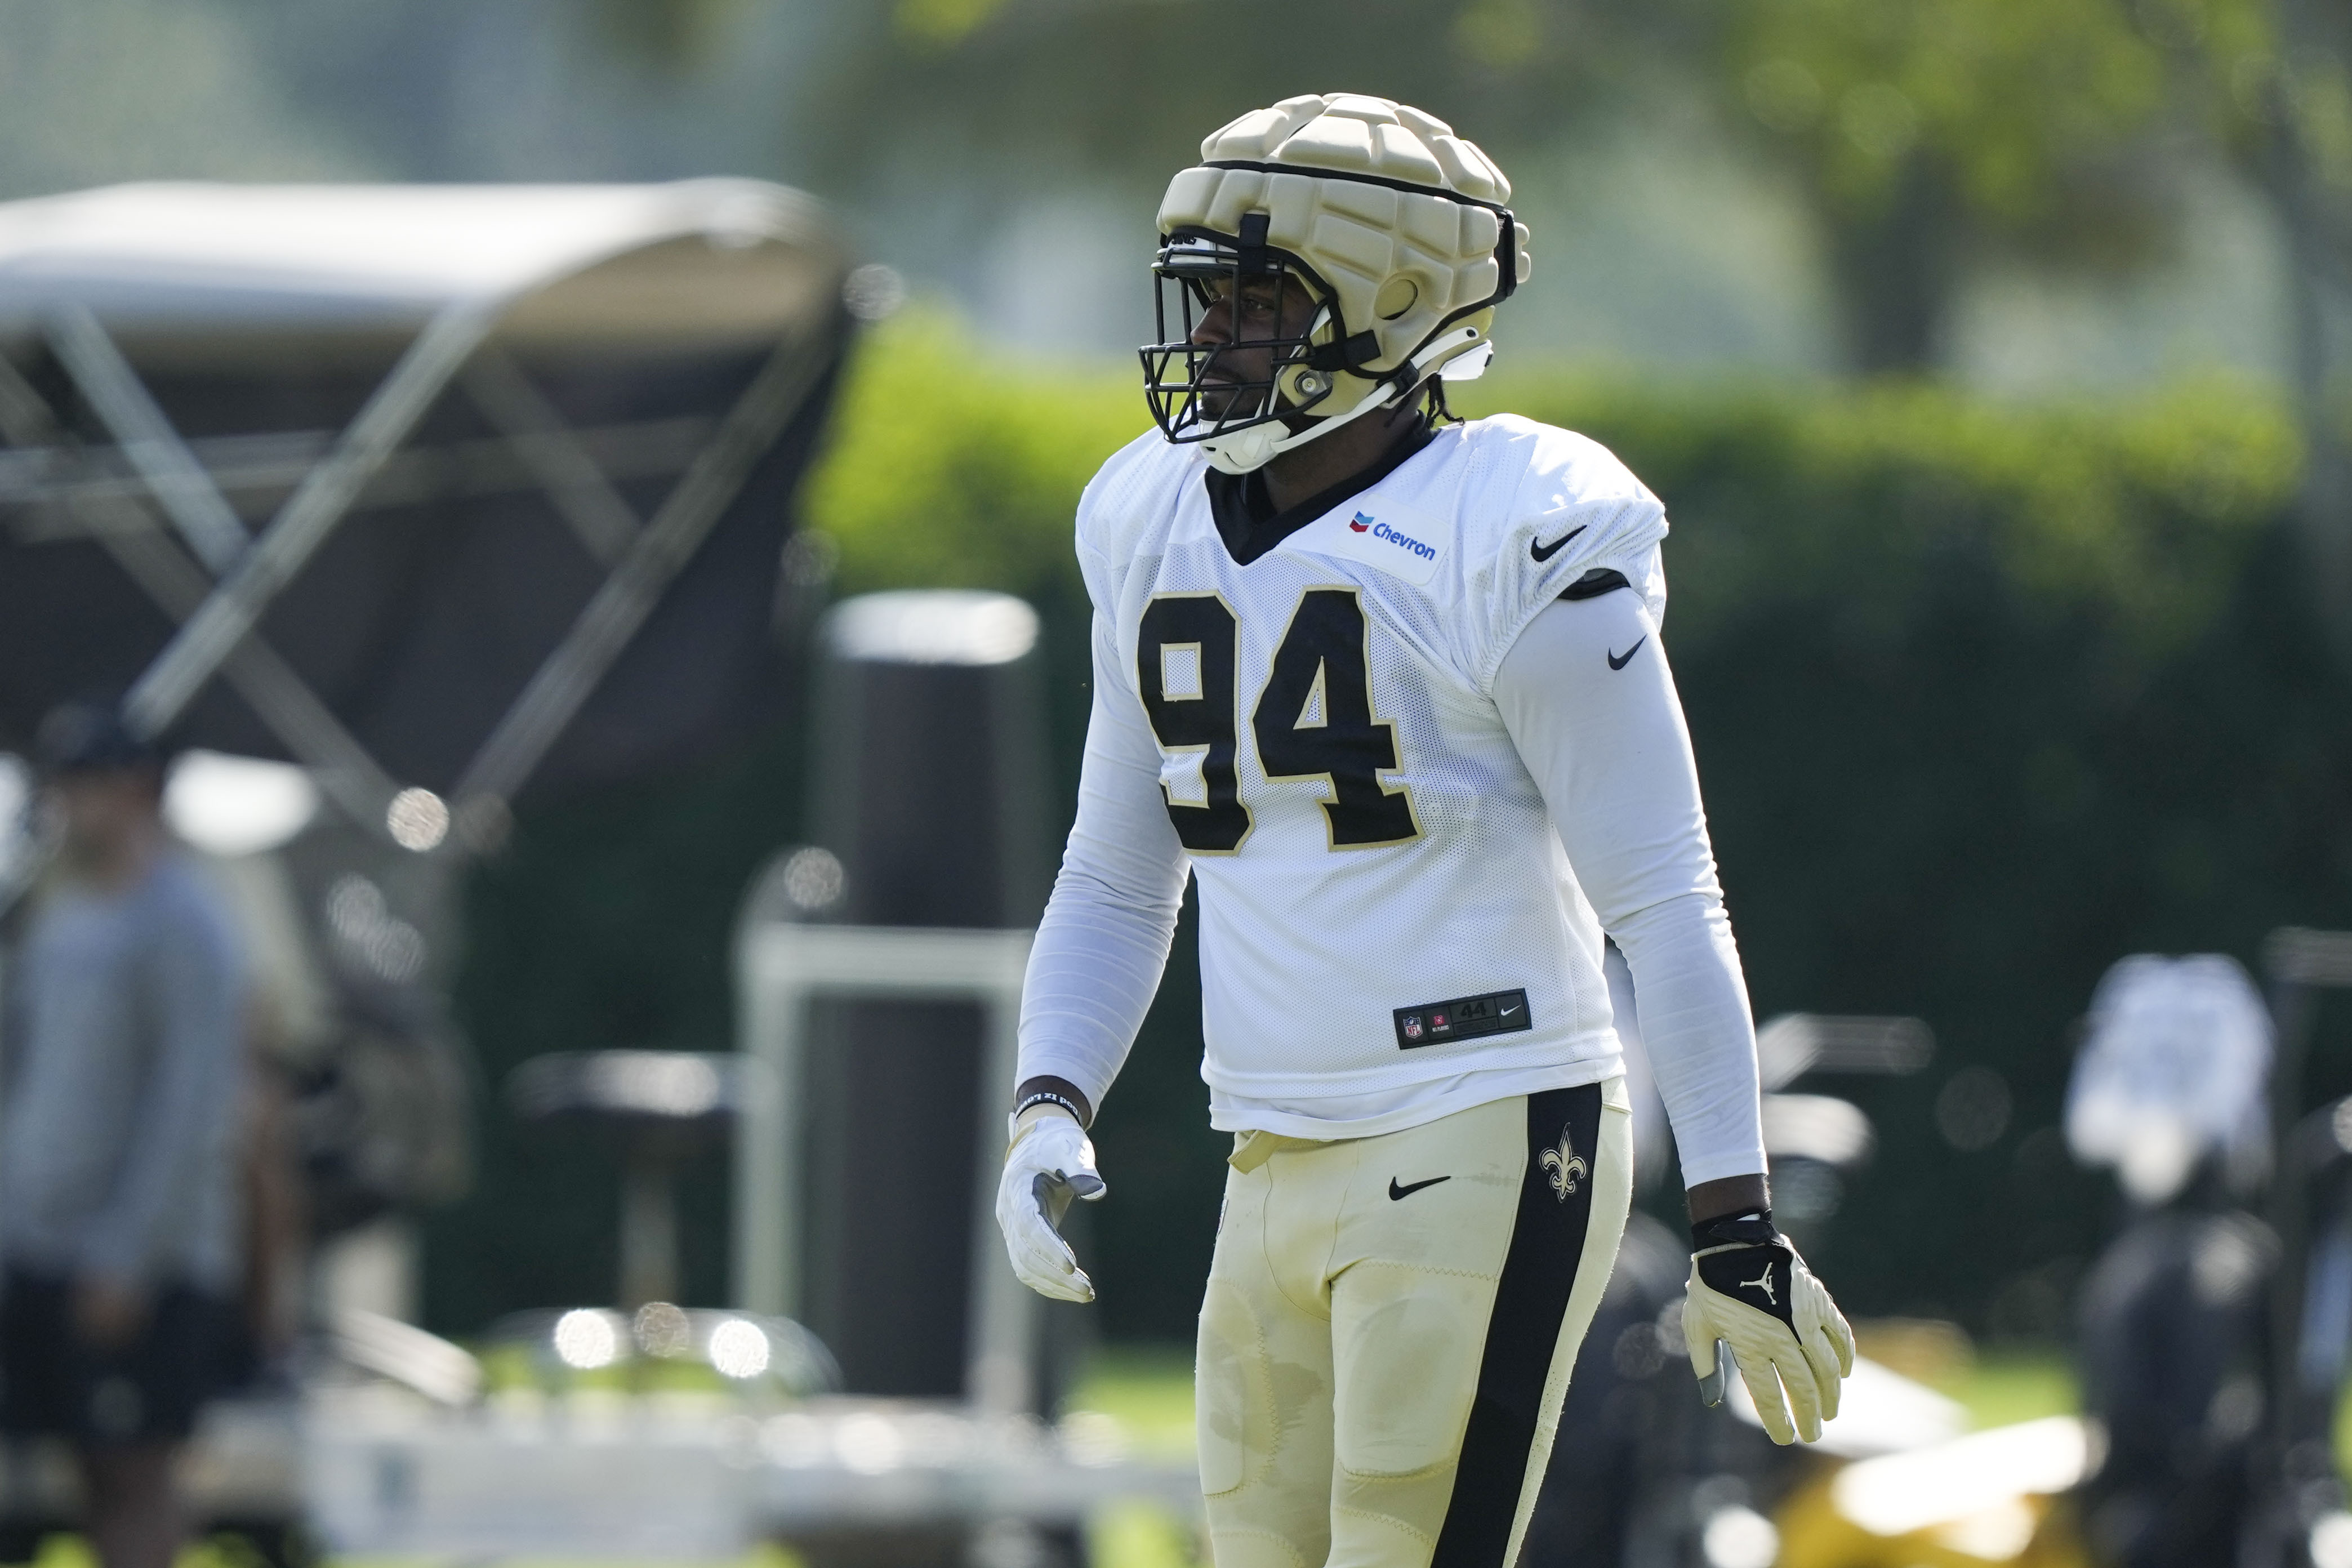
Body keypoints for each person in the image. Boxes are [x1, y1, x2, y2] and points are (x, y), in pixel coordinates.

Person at [995, 93, 1855, 1567]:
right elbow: (1117, 872)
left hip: (1487, 1115)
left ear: (1391, 303)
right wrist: (1049, 1098)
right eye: (1208, 299)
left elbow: (1664, 897)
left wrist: (1731, 1216)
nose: (1213, 339)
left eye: (1259, 299)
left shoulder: (1513, 524)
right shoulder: (1146, 516)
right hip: (1269, 1140)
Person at [0, 704, 247, 1568]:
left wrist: (127, 1254)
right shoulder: (58, 913)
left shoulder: (186, 924)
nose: (69, 806)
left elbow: (189, 1105)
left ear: (137, 788)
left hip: (140, 1262)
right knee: (66, 1475)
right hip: (41, 1244)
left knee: (134, 1474)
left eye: (87, 786)